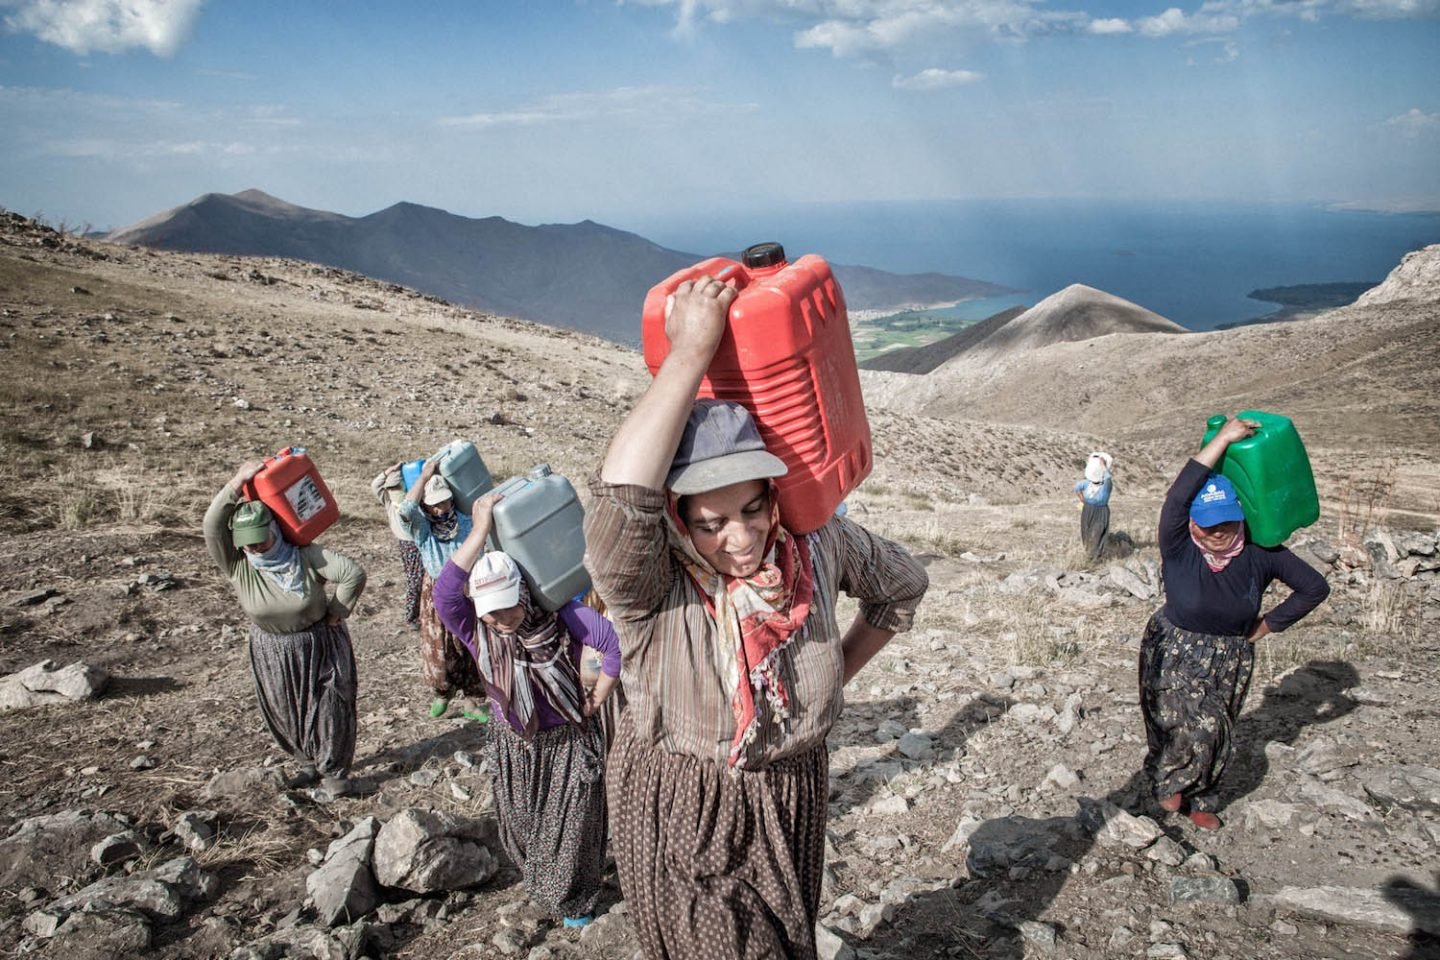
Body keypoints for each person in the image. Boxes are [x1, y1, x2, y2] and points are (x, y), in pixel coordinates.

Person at [584, 274, 929, 960]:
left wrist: (830, 676)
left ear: (775, 495)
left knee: (784, 936)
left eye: (751, 509)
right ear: (679, 522)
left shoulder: (816, 543)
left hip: (792, 789)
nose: (739, 539)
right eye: (710, 524)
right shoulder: (652, 585)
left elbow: (902, 587)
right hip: (687, 799)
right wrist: (690, 351)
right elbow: (623, 495)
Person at [433, 492, 621, 927]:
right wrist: (479, 531)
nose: (502, 619)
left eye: (509, 606)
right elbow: (445, 594)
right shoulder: (477, 631)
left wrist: (598, 697)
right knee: (524, 828)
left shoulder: (561, 618)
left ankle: (577, 900)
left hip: (569, 742)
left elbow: (613, 645)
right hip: (516, 746)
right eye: (491, 613)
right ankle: (547, 882)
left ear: (523, 592)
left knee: (573, 826)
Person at [1140, 417, 1330, 829]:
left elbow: (1314, 587)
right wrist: (1223, 438)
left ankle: (1201, 798)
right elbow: (1178, 495)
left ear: (1240, 516)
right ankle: (1167, 780)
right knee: (1177, 718)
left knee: (1218, 727)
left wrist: (1267, 626)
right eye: (1209, 527)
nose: (1220, 533)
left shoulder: (1262, 551)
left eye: (1227, 523)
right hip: (1173, 643)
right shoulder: (1177, 543)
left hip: (1230, 653)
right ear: (1193, 524)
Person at [203, 461, 367, 801]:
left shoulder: (304, 556)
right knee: (287, 709)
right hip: (272, 650)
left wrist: (338, 610)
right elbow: (211, 526)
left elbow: (352, 573)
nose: (256, 550)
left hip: (321, 642)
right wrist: (236, 482)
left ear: (275, 531)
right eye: (248, 545)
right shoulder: (237, 566)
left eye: (261, 542)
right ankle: (308, 762)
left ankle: (335, 772)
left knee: (331, 704)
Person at [395, 458, 486, 720]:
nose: (441, 508)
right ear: (426, 506)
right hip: (436, 590)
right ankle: (441, 694)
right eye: (434, 504)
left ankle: (472, 702)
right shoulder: (422, 530)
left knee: (470, 644)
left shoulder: (466, 522)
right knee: (438, 645)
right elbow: (405, 510)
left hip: (468, 588)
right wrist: (423, 478)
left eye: (444, 501)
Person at [371, 464, 423, 630]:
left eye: (397, 487)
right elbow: (375, 485)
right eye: (391, 488)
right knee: (415, 579)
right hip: (407, 545)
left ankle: (421, 612)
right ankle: (412, 615)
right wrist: (388, 471)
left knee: (423, 578)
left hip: (419, 542)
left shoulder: (414, 501)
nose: (394, 491)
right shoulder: (388, 501)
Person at [1074, 451, 1114, 560]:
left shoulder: (1106, 487)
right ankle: (1088, 554)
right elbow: (1077, 488)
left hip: (1100, 512)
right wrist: (1083, 500)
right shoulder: (1087, 483)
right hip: (1087, 509)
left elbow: (1108, 479)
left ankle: (1096, 557)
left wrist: (1103, 467)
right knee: (1086, 531)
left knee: (1098, 532)